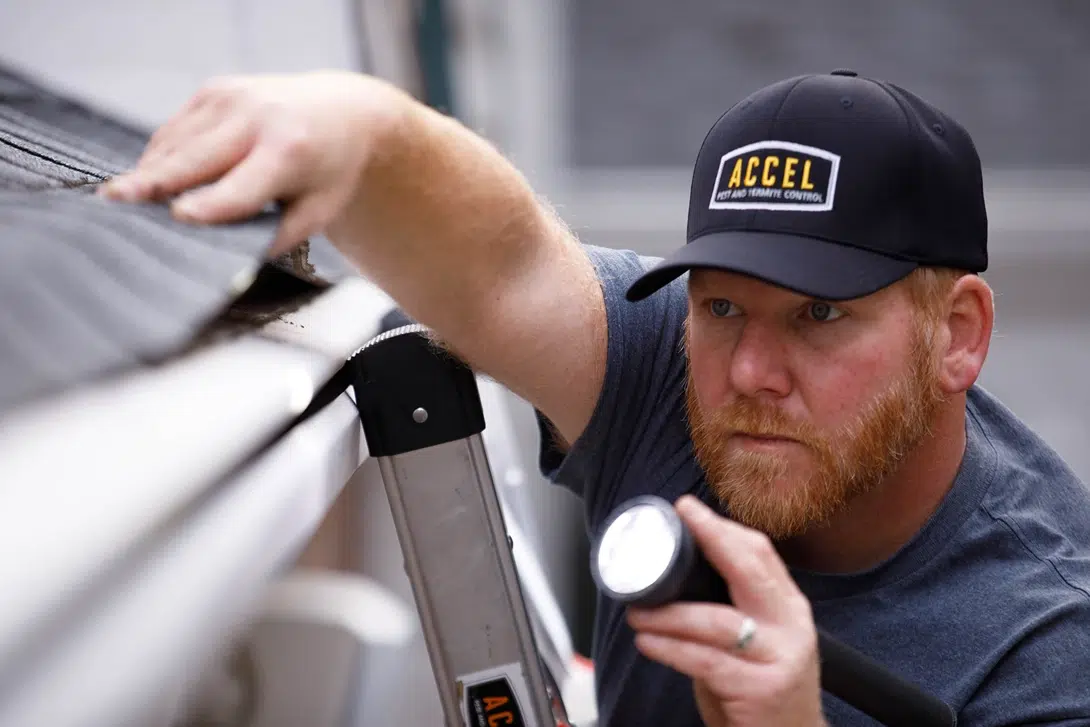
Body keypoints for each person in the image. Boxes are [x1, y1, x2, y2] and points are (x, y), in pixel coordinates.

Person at [99, 68, 1090, 727]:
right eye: (722, 308)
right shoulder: (675, 368)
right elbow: (507, 265)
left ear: (956, 334)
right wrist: (360, 128)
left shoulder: (1045, 643)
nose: (748, 372)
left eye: (820, 317)